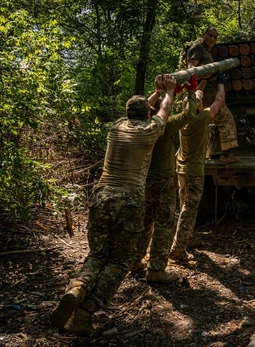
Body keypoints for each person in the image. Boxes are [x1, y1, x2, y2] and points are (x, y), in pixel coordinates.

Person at [50, 75, 177, 336]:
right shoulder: (149, 130)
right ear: (147, 114)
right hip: (128, 200)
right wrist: (170, 92)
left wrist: (155, 91)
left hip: (101, 196)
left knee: (97, 255)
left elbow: (142, 108)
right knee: (120, 262)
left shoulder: (116, 127)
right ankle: (85, 314)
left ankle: (78, 287)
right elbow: (164, 110)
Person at [131, 74, 200, 283]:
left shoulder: (135, 125)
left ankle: (134, 260)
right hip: (162, 182)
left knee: (144, 221)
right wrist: (191, 90)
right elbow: (189, 113)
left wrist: (159, 92)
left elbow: (144, 107)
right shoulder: (162, 126)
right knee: (164, 223)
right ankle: (156, 270)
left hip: (142, 181)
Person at [169, 71, 226, 261]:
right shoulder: (202, 120)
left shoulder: (184, 120)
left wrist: (201, 81)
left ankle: (187, 238)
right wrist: (220, 82)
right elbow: (219, 101)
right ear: (200, 107)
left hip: (181, 170)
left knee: (184, 205)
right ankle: (178, 249)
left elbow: (195, 101)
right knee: (189, 210)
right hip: (194, 172)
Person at [187, 26, 239, 164]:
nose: (212, 39)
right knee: (226, 119)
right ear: (203, 34)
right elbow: (191, 70)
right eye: (210, 35)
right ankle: (226, 157)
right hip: (205, 92)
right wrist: (206, 76)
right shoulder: (197, 48)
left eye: (215, 37)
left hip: (208, 91)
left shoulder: (206, 52)